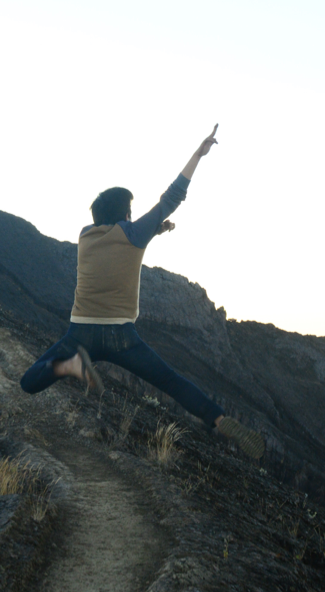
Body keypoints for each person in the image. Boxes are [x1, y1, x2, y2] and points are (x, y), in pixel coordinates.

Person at [20, 127, 264, 459]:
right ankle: (219, 418)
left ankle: (68, 367)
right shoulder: (134, 232)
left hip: (81, 335)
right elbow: (171, 197)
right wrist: (198, 154)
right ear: (125, 214)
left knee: (29, 381)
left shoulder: (85, 236)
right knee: (171, 382)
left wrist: (154, 231)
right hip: (122, 337)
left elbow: (121, 242)